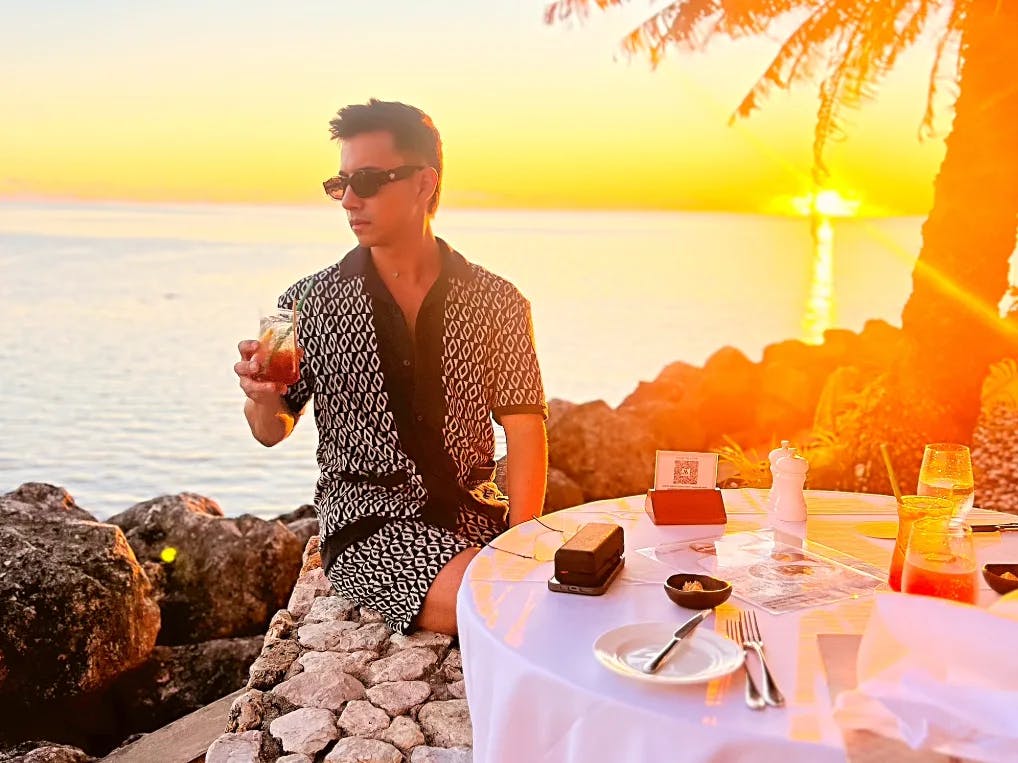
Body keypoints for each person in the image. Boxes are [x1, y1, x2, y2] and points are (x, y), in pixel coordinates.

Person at [234, 99, 548, 636]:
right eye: (341, 184)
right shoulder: (298, 304)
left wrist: (523, 542)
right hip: (369, 524)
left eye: (370, 180)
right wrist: (263, 399)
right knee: (503, 610)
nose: (349, 200)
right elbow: (271, 431)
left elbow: (524, 427)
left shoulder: (499, 301)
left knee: (579, 589)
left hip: (476, 513)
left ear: (425, 184)